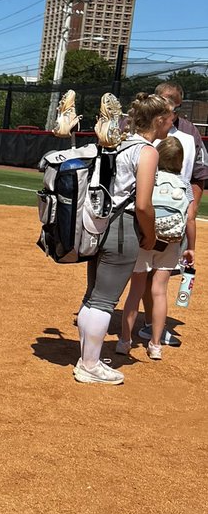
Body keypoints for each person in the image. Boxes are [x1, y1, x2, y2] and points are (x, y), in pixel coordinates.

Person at [74, 91, 173, 385]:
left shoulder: (119, 144)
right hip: (124, 228)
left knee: (93, 296)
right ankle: (89, 364)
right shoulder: (148, 151)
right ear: (158, 120)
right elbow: (142, 204)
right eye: (170, 119)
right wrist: (152, 234)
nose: (172, 124)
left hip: (99, 223)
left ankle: (87, 357)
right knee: (105, 301)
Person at [136, 80, 206, 346]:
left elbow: (200, 174)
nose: (166, 110)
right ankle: (148, 324)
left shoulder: (189, 134)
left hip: (176, 210)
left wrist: (192, 206)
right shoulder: (141, 124)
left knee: (161, 273)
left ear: (177, 107)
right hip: (146, 210)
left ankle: (152, 326)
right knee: (147, 273)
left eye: (171, 105)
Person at [117, 136, 195, 359]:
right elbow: (189, 219)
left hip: (145, 238)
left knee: (135, 291)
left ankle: (124, 341)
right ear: (180, 160)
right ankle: (155, 345)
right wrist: (192, 248)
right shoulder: (185, 185)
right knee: (159, 291)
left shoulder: (151, 177)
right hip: (170, 242)